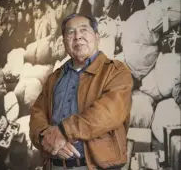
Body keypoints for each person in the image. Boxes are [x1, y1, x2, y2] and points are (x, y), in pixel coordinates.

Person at [29, 13, 133, 170]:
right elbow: (37, 113)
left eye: (84, 30)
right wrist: (45, 136)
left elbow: (109, 112)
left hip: (97, 167)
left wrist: (63, 131)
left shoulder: (116, 71)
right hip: (54, 165)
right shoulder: (53, 78)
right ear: (64, 42)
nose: (77, 36)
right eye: (70, 32)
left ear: (97, 37)